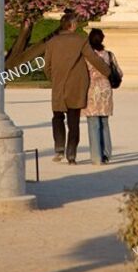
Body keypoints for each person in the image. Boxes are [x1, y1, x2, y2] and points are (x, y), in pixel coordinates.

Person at [42, 14, 111, 165]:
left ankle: (59, 147)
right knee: (73, 122)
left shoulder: (52, 42)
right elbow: (93, 58)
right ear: (72, 25)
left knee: (57, 117)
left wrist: (54, 79)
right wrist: (107, 71)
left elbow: (47, 66)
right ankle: (71, 155)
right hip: (76, 86)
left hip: (59, 86)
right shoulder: (81, 40)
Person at [83, 29, 122, 165]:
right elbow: (119, 72)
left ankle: (96, 157)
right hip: (105, 90)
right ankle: (106, 154)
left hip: (91, 90)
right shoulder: (108, 55)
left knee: (93, 124)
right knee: (104, 124)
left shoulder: (86, 56)